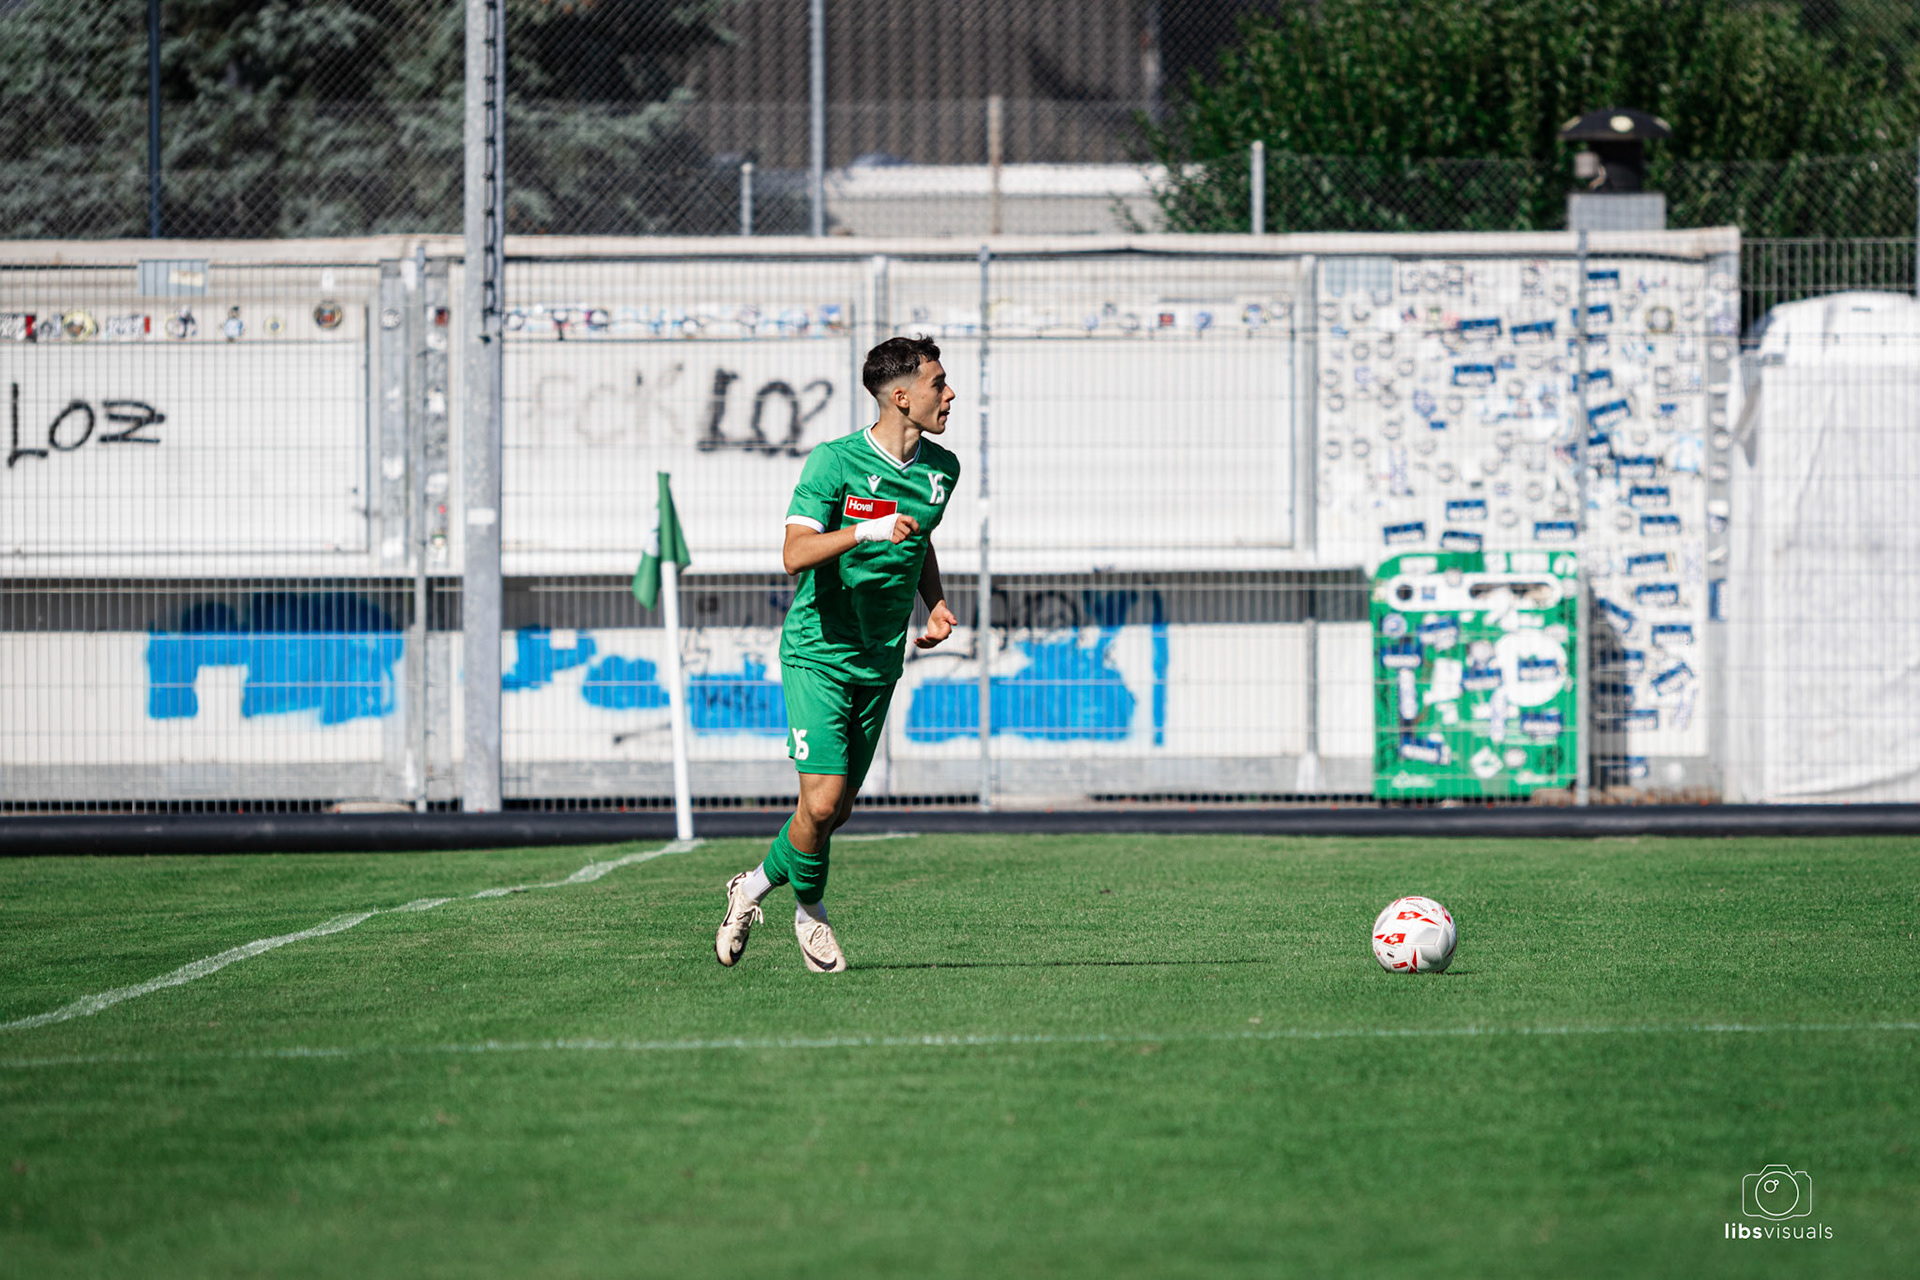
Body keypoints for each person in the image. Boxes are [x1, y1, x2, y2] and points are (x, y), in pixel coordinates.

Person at [715, 336, 961, 972]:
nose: (950, 394)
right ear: (900, 396)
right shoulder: (833, 461)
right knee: (821, 804)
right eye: (938, 383)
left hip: (879, 658)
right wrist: (865, 529)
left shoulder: (943, 470)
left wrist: (934, 603)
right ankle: (811, 914)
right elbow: (795, 554)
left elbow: (921, 541)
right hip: (818, 653)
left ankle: (750, 887)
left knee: (835, 812)